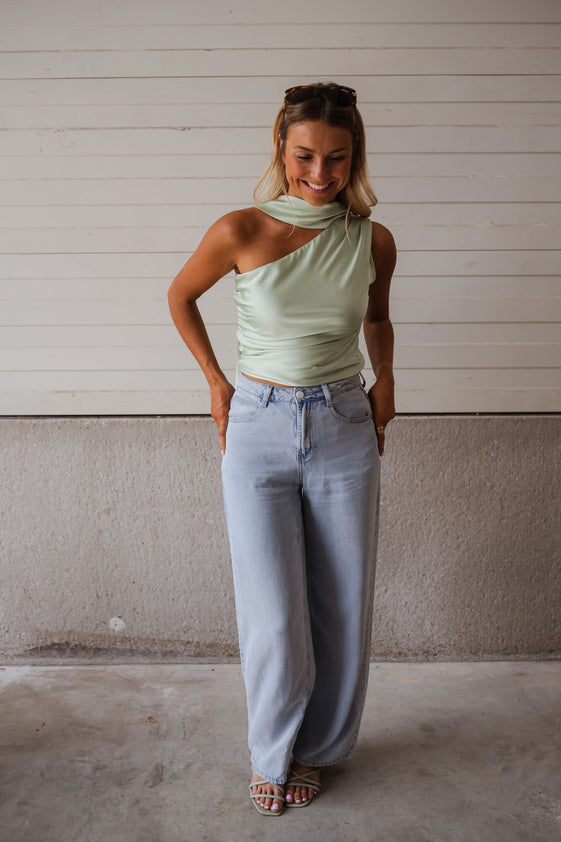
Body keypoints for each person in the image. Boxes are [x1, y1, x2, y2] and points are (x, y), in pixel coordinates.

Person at [168, 82, 396, 816]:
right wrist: (216, 382)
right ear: (281, 148)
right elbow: (179, 296)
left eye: (337, 157)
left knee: (342, 602)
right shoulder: (239, 229)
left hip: (343, 420)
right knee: (270, 609)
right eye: (304, 156)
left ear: (355, 155)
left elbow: (377, 318)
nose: (320, 172)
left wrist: (386, 382)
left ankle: (318, 750)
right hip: (258, 423)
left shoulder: (371, 239)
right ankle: (271, 751)